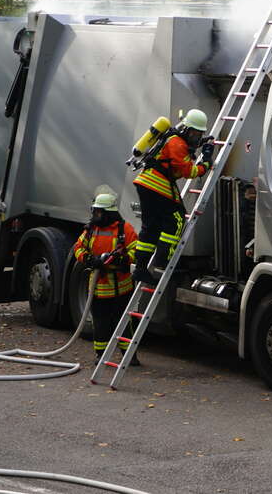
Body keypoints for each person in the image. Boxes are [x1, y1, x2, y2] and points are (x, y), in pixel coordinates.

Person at [130, 108, 212, 285]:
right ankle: (163, 259)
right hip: (157, 185)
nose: (195, 137)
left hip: (147, 184)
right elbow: (189, 171)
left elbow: (185, 150)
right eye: (193, 133)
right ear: (185, 130)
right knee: (177, 219)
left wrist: (202, 143)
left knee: (150, 226)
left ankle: (140, 268)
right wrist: (206, 162)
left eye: (199, 134)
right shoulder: (177, 143)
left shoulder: (176, 140)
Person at [73, 190, 139, 362]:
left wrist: (123, 258)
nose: (96, 215)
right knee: (100, 323)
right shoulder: (90, 230)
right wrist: (89, 259)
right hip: (98, 287)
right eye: (95, 211)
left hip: (121, 286)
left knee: (123, 322)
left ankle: (129, 356)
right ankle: (101, 356)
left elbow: (136, 250)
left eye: (99, 212)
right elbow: (78, 248)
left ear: (109, 213)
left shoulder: (124, 229)